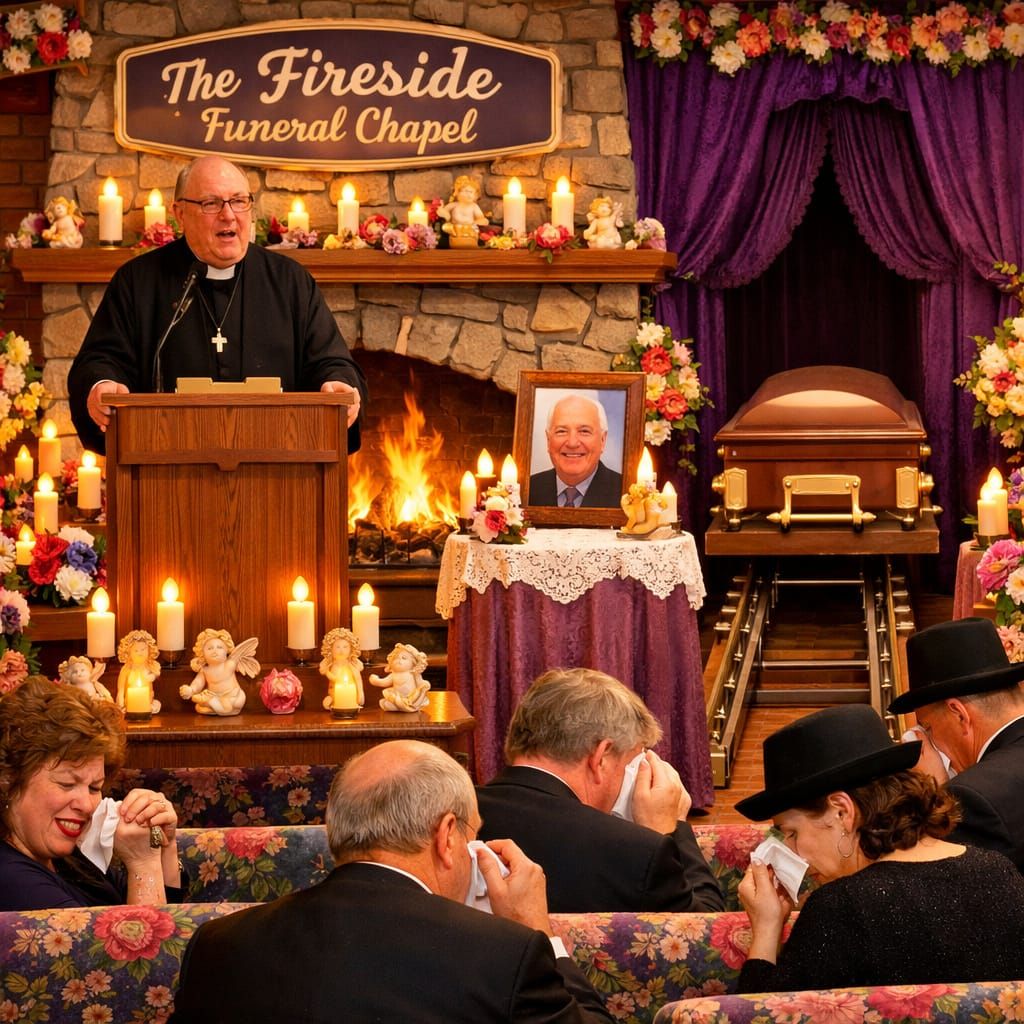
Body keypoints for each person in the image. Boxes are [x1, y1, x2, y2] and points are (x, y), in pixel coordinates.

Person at [169, 740, 613, 1024]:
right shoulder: (505, 954)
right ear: (445, 837)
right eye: (471, 835)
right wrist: (539, 930)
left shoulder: (217, 944)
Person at [68, 155, 368, 455]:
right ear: (180, 213)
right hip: (167, 473)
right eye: (211, 203)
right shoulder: (138, 282)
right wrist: (102, 385)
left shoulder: (289, 282)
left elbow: (332, 361)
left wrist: (338, 384)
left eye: (239, 201)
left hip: (276, 471)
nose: (229, 215)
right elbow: (101, 360)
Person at [734, 704, 1024, 992]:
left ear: (841, 812)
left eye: (792, 833)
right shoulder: (1000, 872)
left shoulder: (840, 907)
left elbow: (765, 1013)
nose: (794, 852)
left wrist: (766, 928)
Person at [476, 668, 724, 913]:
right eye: (635, 761)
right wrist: (672, 829)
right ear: (602, 757)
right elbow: (706, 932)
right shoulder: (637, 851)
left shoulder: (452, 817)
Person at [0, 677, 182, 911]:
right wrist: (143, 863)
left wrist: (164, 843)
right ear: (9, 780)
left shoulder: (61, 855)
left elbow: (174, 922)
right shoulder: (14, 882)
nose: (86, 805)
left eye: (94, 788)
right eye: (67, 784)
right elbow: (149, 944)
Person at [889, 616, 1024, 872]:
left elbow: (946, 900)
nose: (927, 739)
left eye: (927, 728)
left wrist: (936, 796)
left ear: (959, 715)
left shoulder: (973, 798)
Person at [528, 393, 623, 508]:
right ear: (548, 440)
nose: (572, 443)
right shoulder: (526, 491)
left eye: (584, 431)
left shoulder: (626, 494)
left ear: (602, 440)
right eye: (561, 431)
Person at [179, 628, 259, 717]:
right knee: (197, 706)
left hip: (232, 696)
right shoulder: (205, 670)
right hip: (214, 695)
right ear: (202, 653)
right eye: (210, 648)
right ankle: (219, 707)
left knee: (240, 700)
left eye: (219, 647)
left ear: (226, 651)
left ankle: (213, 704)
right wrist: (191, 690)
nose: (215, 650)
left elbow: (240, 655)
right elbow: (198, 683)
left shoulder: (229, 664)